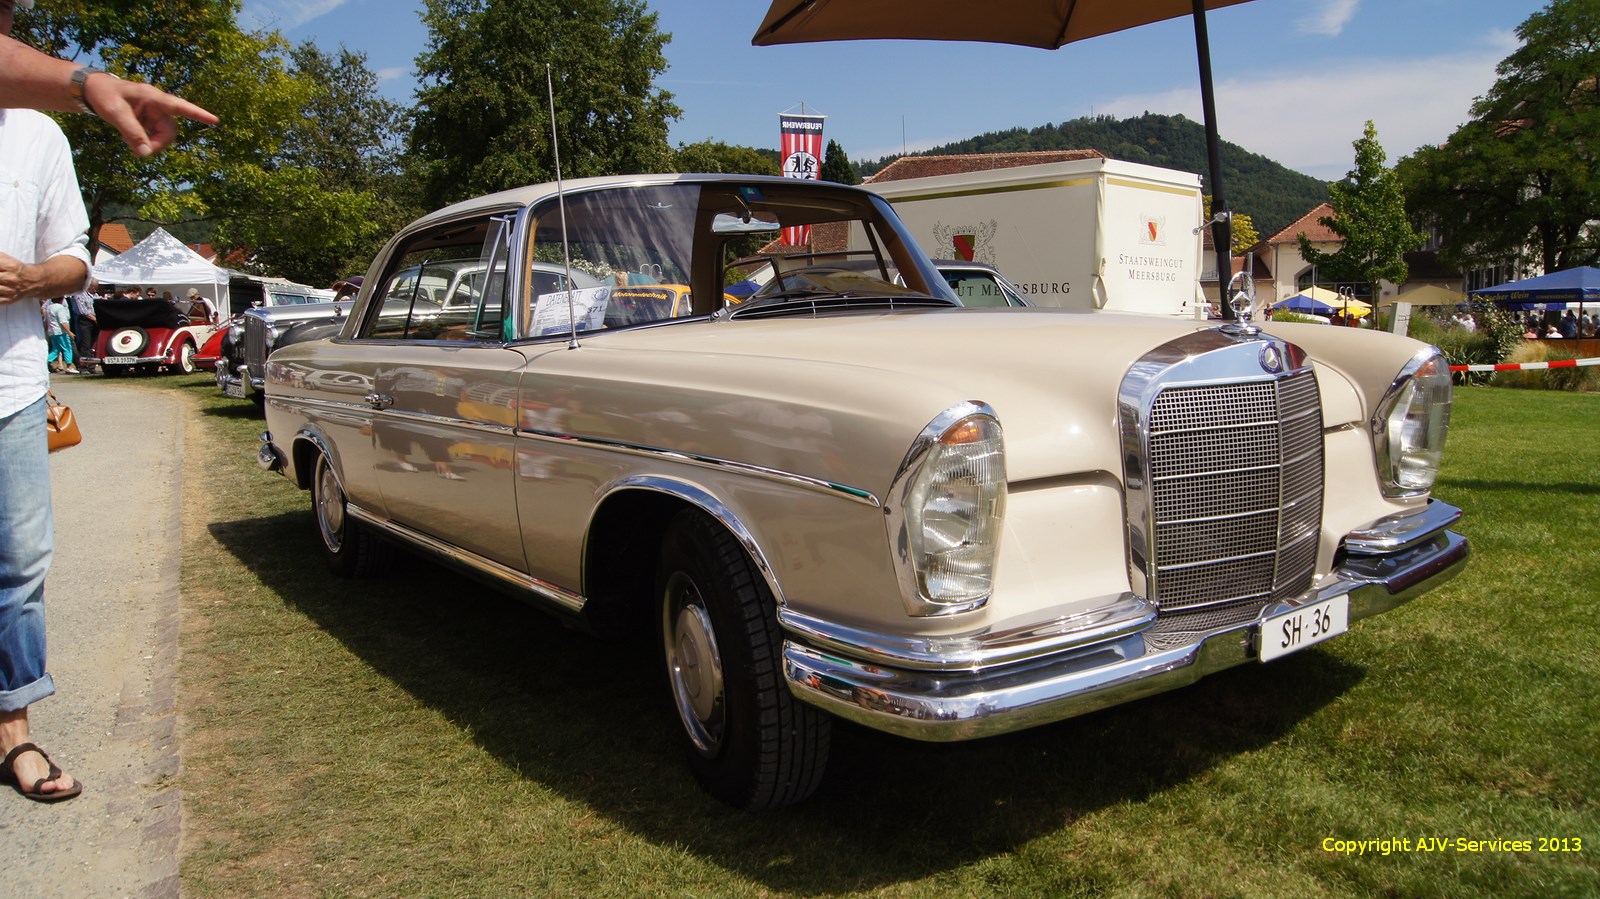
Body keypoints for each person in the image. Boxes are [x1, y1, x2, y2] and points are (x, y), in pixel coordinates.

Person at [1, 0, 213, 805]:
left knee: (20, 566)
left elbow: (77, 259)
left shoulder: (37, 134)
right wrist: (90, 84)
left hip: (13, 384)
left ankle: (14, 732)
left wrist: (31, 277)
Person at [42, 295, 73, 373]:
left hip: (52, 331)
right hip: (61, 331)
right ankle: (69, 366)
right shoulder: (60, 308)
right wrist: (69, 332)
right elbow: (62, 322)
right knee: (67, 348)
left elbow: (46, 320)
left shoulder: (49, 308)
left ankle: (45, 362)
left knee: (56, 349)